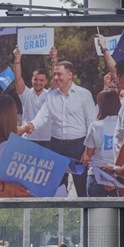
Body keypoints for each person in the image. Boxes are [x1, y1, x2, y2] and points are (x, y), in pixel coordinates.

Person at [20, 58, 97, 197]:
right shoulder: (50, 95)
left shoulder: (84, 95)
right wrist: (30, 125)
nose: (55, 78)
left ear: (69, 75)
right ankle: (60, 217)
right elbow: (42, 116)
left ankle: (86, 217)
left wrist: (88, 150)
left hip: (79, 147)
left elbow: (92, 123)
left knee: (82, 189)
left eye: (59, 74)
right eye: (54, 74)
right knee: (57, 189)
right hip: (56, 147)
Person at [81, 89, 122, 197]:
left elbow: (88, 154)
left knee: (95, 212)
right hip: (119, 175)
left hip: (97, 174)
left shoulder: (95, 126)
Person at [12, 46, 51, 145]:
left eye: (41, 80)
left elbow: (57, 81)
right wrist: (17, 59)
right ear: (31, 80)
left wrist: (54, 59)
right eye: (36, 79)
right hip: (27, 138)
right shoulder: (26, 93)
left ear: (46, 81)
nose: (38, 82)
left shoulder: (50, 95)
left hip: (46, 139)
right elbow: (17, 78)